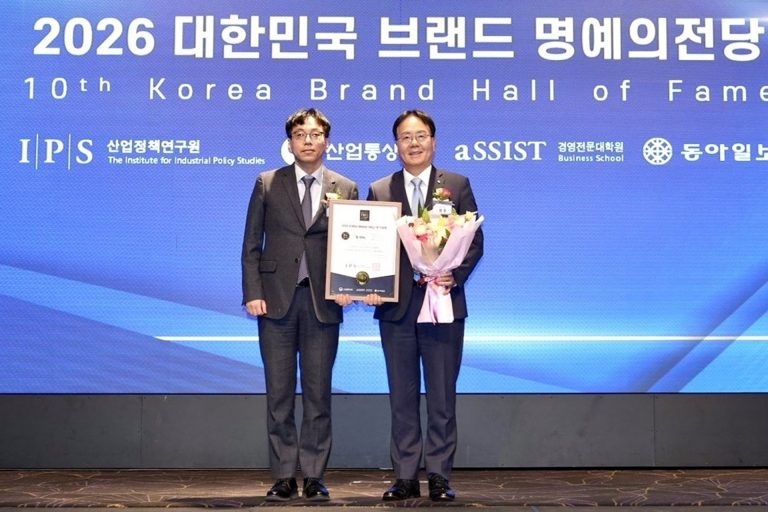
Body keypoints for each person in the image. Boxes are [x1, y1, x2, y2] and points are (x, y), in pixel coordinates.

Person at [364, 110, 484, 501]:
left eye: (420, 136)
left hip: (444, 304)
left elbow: (475, 241)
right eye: (405, 137)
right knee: (402, 396)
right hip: (397, 310)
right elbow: (370, 247)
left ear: (433, 140)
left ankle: (439, 475)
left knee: (442, 396)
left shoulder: (457, 184)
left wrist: (455, 274)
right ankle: (404, 476)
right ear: (395, 145)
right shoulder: (380, 190)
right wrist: (368, 282)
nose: (413, 143)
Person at [241, 108, 358, 502]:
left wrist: (351, 284)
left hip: (322, 302)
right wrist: (253, 292)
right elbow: (251, 244)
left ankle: (314, 476)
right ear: (289, 142)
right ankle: (283, 476)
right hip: (275, 301)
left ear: (327, 141)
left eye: (315, 134)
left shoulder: (346, 187)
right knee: (279, 395)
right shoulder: (268, 182)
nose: (308, 140)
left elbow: (354, 246)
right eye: (300, 134)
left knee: (318, 394)